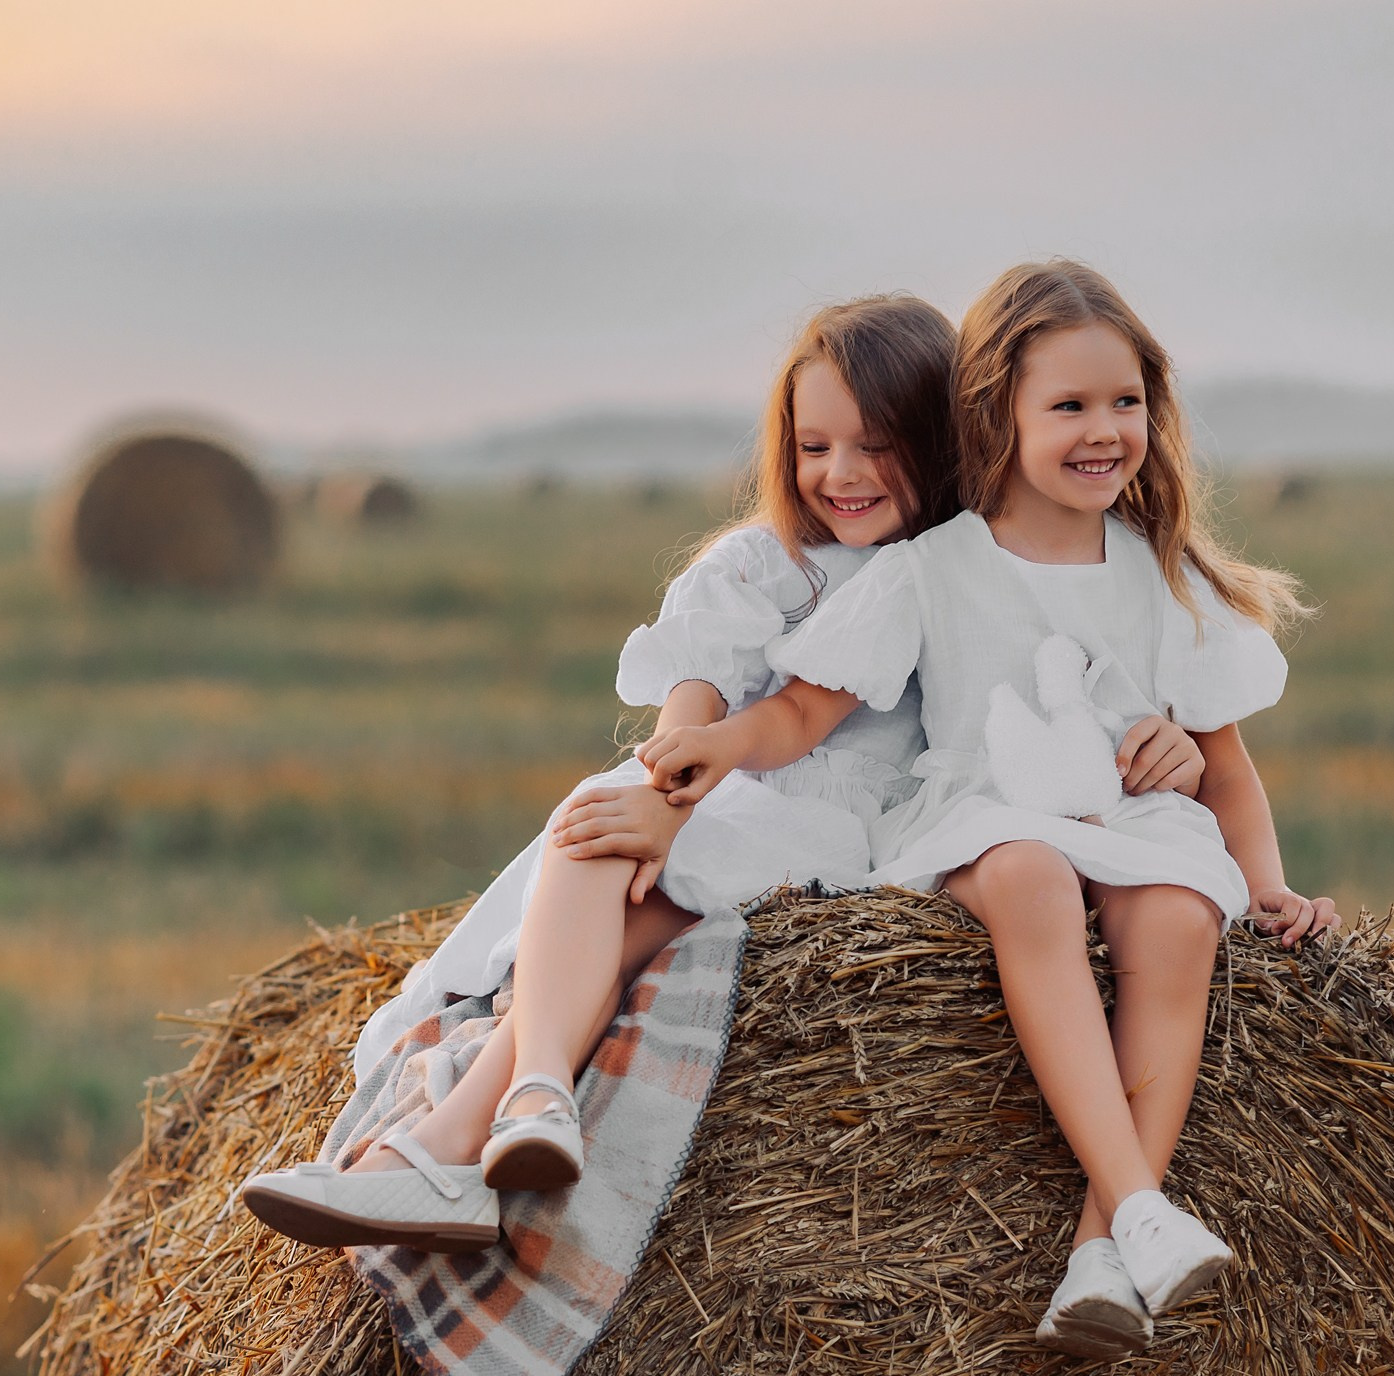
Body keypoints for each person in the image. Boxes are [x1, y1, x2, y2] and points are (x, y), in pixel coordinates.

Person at [640, 260, 1337, 1359]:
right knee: (1028, 875)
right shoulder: (932, 569)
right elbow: (806, 709)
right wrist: (720, 742)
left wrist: (1264, 887)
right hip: (984, 813)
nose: (1103, 429)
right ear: (993, 413)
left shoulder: (1161, 574)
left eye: (1124, 402)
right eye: (1068, 406)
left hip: (1129, 819)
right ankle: (1139, 1200)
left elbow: (1227, 767)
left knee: (1176, 917)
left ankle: (1101, 1249)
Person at [239, 295, 969, 1254]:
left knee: (637, 902)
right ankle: (532, 1096)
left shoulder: (931, 574)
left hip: (825, 820)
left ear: (938, 437)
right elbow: (697, 680)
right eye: (813, 446)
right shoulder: (763, 559)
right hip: (720, 790)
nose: (840, 472)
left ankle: (442, 1145)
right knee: (594, 826)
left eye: (875, 445)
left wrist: (684, 801)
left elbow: (798, 718)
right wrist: (660, 793)